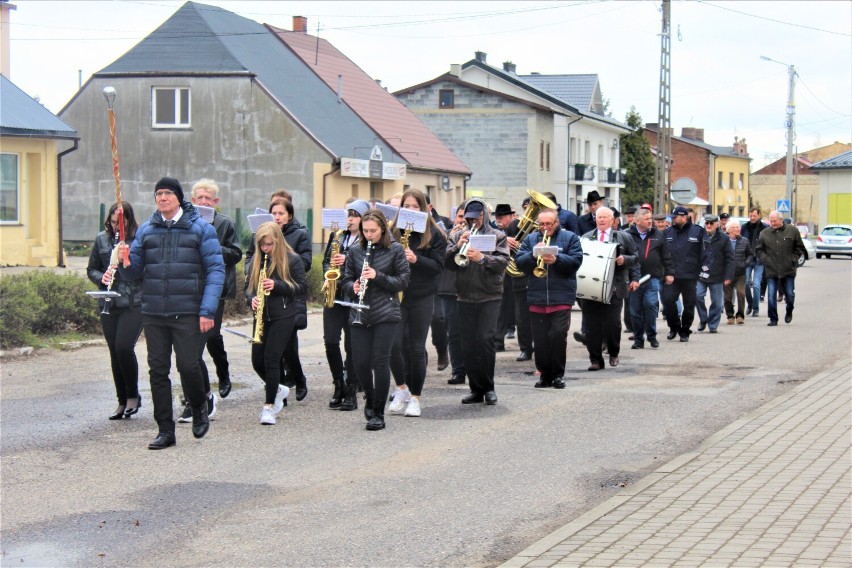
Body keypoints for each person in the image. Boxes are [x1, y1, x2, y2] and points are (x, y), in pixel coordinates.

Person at [118, 177, 224, 450]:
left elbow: (215, 271)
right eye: (158, 194)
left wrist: (207, 309)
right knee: (158, 372)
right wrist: (125, 260)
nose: (162, 198)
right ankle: (165, 429)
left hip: (189, 311)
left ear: (178, 197)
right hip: (154, 312)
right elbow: (133, 274)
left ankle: (199, 406)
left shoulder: (200, 228)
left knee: (188, 365)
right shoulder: (147, 229)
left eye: (167, 193)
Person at [340, 210, 410, 430]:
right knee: (360, 363)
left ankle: (378, 412)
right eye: (365, 231)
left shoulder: (395, 249)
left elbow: (403, 281)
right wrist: (354, 287)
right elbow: (346, 280)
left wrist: (377, 276)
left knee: (380, 362)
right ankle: (370, 397)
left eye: (373, 231)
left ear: (383, 229)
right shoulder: (355, 251)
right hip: (360, 312)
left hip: (386, 313)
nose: (369, 235)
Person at [387, 189, 447, 417]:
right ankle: (401, 388)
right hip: (398, 295)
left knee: (415, 347)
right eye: (407, 206)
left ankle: (415, 398)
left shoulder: (435, 234)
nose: (410, 211)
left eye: (415, 207)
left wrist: (416, 259)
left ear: (423, 209)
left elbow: (438, 267)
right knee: (394, 344)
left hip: (422, 295)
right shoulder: (393, 231)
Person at [445, 199, 510, 404]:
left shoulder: (497, 236)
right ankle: (476, 389)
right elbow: (447, 263)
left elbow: (502, 263)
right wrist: (457, 246)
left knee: (485, 340)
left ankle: (489, 388)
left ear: (484, 216)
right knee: (468, 344)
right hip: (464, 296)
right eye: (468, 218)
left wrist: (482, 258)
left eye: (475, 218)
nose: (472, 222)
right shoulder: (457, 235)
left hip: (489, 295)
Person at [247, 196, 312, 400]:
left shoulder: (293, 256)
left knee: (279, 355)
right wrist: (251, 300)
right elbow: (248, 287)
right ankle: (280, 388)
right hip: (263, 313)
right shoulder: (259, 257)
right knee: (258, 361)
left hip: (285, 311)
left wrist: (277, 285)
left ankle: (273, 401)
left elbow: (303, 286)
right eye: (262, 245)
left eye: (281, 213)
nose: (266, 249)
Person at [514, 208, 583, 388]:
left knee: (558, 335)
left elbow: (576, 262)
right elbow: (519, 263)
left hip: (561, 296)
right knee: (541, 339)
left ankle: (558, 374)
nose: (545, 228)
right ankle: (545, 375)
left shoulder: (570, 238)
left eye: (548, 224)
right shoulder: (530, 239)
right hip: (537, 297)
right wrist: (532, 255)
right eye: (541, 224)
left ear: (556, 223)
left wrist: (557, 260)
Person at [87, 201, 143, 420]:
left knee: (123, 347)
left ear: (129, 220)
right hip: (108, 302)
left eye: (121, 222)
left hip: (133, 302)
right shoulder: (101, 238)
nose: (116, 227)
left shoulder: (138, 240)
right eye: (113, 222)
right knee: (114, 351)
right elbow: (91, 268)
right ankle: (121, 401)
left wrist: (126, 260)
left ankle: (133, 396)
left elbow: (142, 271)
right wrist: (102, 277)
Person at [190, 179, 242, 399]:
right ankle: (195, 386)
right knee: (193, 341)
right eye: (199, 198)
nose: (203, 201)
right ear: (192, 201)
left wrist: (214, 247)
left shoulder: (225, 223)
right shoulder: (187, 222)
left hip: (216, 289)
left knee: (211, 336)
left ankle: (223, 374)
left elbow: (236, 253)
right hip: (192, 289)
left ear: (215, 201)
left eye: (207, 198)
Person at [322, 198, 370, 410]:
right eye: (348, 215)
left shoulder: (367, 239)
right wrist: (328, 274)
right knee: (331, 341)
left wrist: (347, 258)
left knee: (352, 345)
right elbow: (326, 261)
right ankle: (338, 384)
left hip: (353, 296)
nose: (350, 220)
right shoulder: (337, 236)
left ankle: (351, 389)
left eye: (354, 215)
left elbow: (368, 265)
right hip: (334, 295)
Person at [581, 207, 639, 370]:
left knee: (612, 324)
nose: (601, 220)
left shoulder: (623, 237)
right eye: (598, 217)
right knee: (592, 326)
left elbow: (635, 258)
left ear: (613, 220)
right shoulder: (586, 237)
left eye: (605, 217)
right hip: (591, 286)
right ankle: (595, 360)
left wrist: (623, 260)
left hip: (614, 286)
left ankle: (614, 352)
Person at [625, 207, 674, 349]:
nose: (650, 222)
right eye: (646, 219)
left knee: (651, 304)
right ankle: (638, 339)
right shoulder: (627, 235)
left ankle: (651, 336)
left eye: (650, 218)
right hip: (634, 278)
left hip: (652, 277)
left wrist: (669, 273)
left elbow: (667, 255)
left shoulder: (658, 235)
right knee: (635, 310)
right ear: (637, 221)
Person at [662, 205, 706, 342]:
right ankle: (674, 327)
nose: (673, 219)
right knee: (668, 301)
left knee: (689, 305)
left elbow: (704, 253)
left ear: (684, 217)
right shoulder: (667, 232)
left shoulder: (698, 231)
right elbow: (662, 254)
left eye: (676, 217)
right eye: (673, 217)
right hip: (672, 274)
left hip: (690, 275)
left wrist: (702, 271)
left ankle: (685, 330)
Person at [755, 211, 806, 326]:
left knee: (789, 294)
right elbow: (759, 250)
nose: (772, 223)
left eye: (775, 221)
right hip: (771, 269)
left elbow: (799, 247)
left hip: (788, 269)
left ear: (781, 220)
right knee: (771, 295)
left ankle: (789, 309)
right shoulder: (764, 233)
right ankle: (773, 318)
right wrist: (765, 260)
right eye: (771, 221)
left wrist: (793, 259)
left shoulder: (792, 231)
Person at [437, 201, 469, 385]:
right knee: (454, 333)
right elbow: (441, 256)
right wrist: (454, 238)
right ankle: (458, 371)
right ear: (454, 218)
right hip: (449, 289)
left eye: (468, 218)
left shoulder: (481, 234)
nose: (464, 221)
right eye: (460, 217)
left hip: (473, 289)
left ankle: (474, 369)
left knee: (473, 333)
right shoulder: (447, 235)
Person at [695, 215, 734, 334]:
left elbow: (730, 258)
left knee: (717, 302)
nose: (708, 225)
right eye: (706, 223)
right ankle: (703, 319)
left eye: (711, 223)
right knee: (697, 295)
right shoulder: (699, 236)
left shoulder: (724, 238)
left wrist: (728, 276)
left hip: (717, 274)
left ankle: (713, 324)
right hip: (700, 274)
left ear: (717, 224)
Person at [492, 203, 517, 352]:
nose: (499, 220)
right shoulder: (493, 231)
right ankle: (497, 341)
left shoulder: (517, 227)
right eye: (497, 217)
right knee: (500, 308)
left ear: (510, 217)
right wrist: (504, 239)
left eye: (502, 217)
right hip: (498, 272)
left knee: (510, 308)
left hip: (514, 273)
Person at [724, 220, 753, 325]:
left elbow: (750, 254)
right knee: (727, 296)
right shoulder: (724, 240)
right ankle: (730, 315)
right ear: (729, 230)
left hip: (740, 273)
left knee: (741, 293)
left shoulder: (744, 241)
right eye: (735, 227)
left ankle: (740, 315)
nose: (738, 229)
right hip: (727, 274)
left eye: (739, 227)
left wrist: (746, 263)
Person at [741, 208, 768, 317]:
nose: (752, 218)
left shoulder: (765, 228)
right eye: (750, 215)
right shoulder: (744, 228)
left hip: (759, 260)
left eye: (754, 216)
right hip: (747, 259)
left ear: (759, 215)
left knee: (756, 285)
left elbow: (768, 244)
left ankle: (756, 308)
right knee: (746, 283)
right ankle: (750, 304)